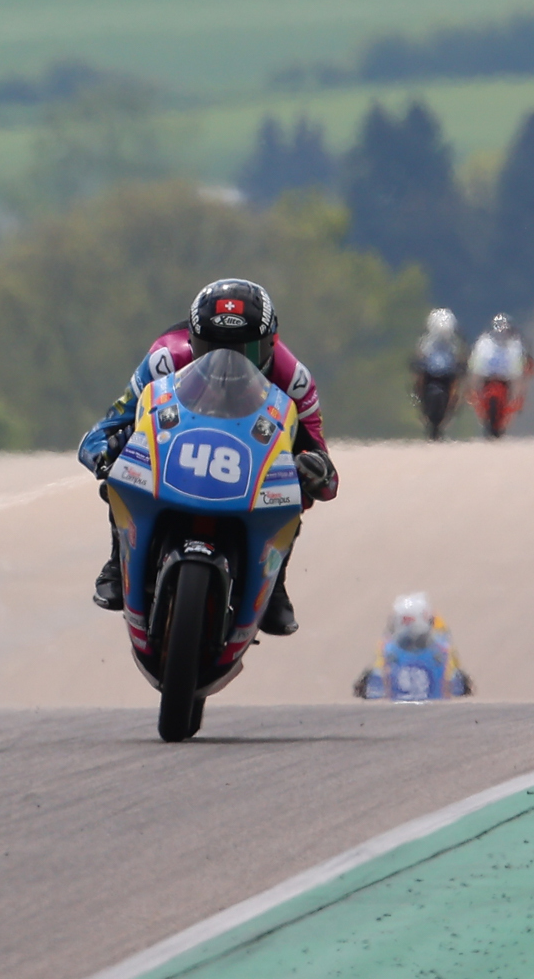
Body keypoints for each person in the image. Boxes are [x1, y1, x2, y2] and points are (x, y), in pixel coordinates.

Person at [76, 278, 334, 636]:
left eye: (245, 351)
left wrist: (315, 470)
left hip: (252, 453)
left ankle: (274, 582)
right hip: (178, 439)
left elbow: (324, 466)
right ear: (192, 340)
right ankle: (117, 561)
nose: (228, 364)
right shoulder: (165, 358)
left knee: (296, 488)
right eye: (212, 348)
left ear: (271, 343)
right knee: (123, 464)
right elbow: (106, 426)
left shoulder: (294, 380)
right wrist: (107, 451)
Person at [354, 591, 471, 701]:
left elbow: (372, 690)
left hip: (396, 712)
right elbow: (460, 688)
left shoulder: (387, 650)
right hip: (437, 712)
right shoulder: (442, 649)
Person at [412, 308, 466, 437]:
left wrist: (461, 364)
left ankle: (452, 407)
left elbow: (460, 357)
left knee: (457, 388)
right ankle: (419, 400)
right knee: (418, 382)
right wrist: (418, 362)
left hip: (448, 374)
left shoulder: (455, 343)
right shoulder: (426, 342)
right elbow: (420, 355)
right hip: (430, 374)